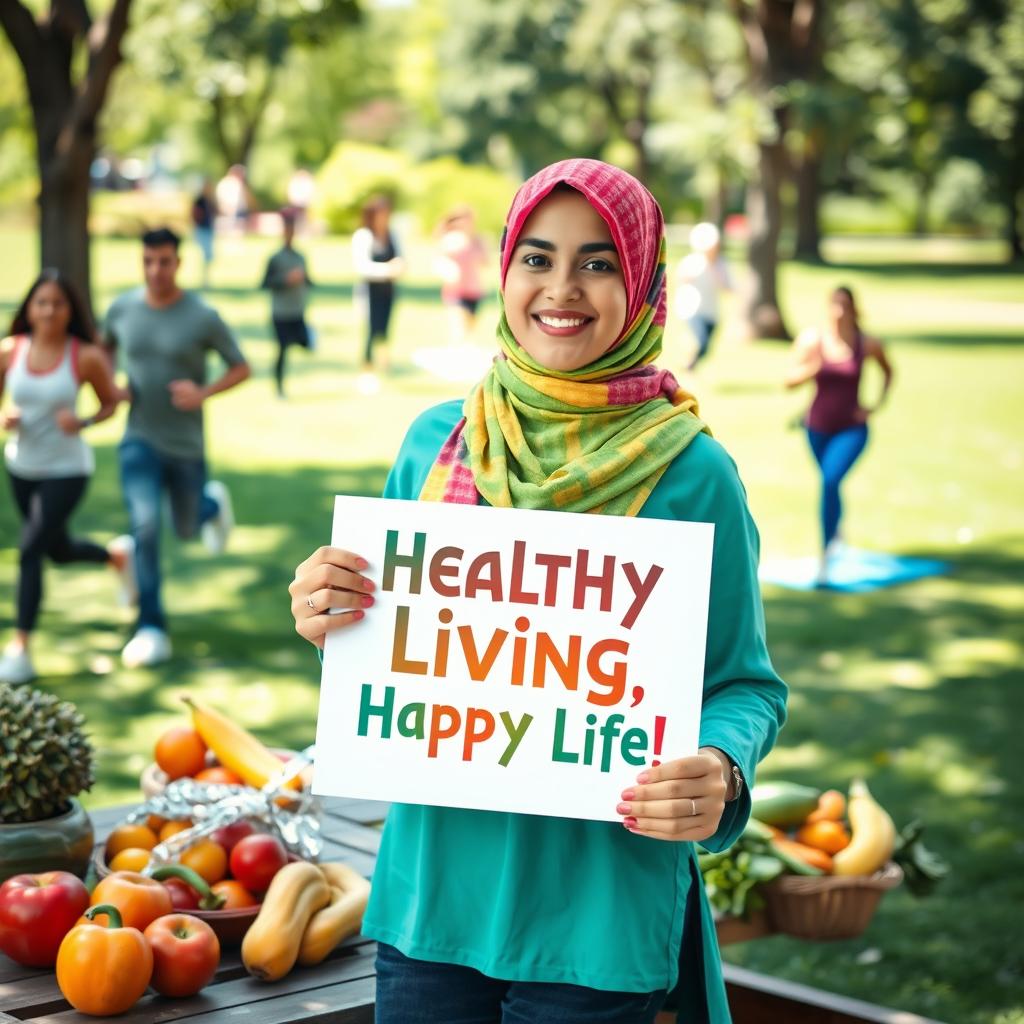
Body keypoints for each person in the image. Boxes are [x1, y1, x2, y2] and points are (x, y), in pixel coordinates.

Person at [289, 159, 787, 1023]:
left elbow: (746, 683)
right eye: (537, 258)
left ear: (642, 285)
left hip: (594, 918)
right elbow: (393, 641)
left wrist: (720, 765)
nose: (563, 288)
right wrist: (328, 609)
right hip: (432, 904)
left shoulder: (692, 473)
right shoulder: (436, 442)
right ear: (506, 268)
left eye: (598, 263)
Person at [103, 227, 251, 668]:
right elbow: (101, 350)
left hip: (186, 444)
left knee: (185, 529)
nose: (155, 270)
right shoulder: (122, 308)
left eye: (164, 261)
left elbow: (241, 367)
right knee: (146, 526)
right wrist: (110, 386)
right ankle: (151, 626)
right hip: (139, 439)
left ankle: (210, 506)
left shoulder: (201, 316)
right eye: (148, 261)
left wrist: (202, 392)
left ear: (178, 262)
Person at [0, 270, 134, 685]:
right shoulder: (11, 350)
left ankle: (19, 649)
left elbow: (111, 402)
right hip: (21, 465)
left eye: (58, 303)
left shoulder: (84, 355)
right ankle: (116, 558)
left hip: (67, 469)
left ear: (70, 310)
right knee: (55, 550)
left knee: (30, 550)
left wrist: (84, 421)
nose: (49, 311)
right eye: (42, 302)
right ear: (30, 308)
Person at [785, 285, 894, 584]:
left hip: (852, 429)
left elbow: (888, 372)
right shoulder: (813, 341)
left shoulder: (867, 343)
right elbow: (788, 381)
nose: (840, 311)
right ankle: (837, 530)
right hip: (816, 428)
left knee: (830, 480)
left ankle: (826, 553)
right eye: (835, 304)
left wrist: (874, 407)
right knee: (831, 484)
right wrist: (812, 368)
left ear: (854, 309)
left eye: (845, 305)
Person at [351, 195, 404, 393]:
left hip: (388, 292)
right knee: (370, 331)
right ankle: (367, 368)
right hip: (370, 292)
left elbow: (401, 257)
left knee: (384, 330)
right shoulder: (364, 236)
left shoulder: (392, 235)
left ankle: (383, 365)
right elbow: (362, 266)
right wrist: (387, 270)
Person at [260, 208, 314, 398]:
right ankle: (279, 387)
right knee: (282, 350)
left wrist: (303, 280)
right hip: (281, 311)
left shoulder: (300, 257)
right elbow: (265, 283)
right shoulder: (275, 258)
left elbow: (310, 281)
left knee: (305, 343)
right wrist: (286, 280)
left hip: (297, 309)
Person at [673, 221, 732, 370]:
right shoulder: (692, 262)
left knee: (705, 348)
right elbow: (681, 281)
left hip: (711, 312)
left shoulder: (721, 264)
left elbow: (728, 287)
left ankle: (690, 363)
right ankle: (688, 365)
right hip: (693, 310)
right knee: (701, 340)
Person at [435, 205, 487, 345]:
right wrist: (449, 270)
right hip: (455, 291)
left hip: (474, 290)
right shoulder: (451, 239)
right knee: (458, 327)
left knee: (470, 328)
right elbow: (439, 260)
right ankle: (455, 355)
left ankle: (464, 354)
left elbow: (485, 262)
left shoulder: (478, 240)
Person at [191, 179, 217, 289]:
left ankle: (206, 279)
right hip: (202, 229)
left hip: (208, 229)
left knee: (208, 256)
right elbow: (195, 213)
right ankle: (203, 279)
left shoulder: (209, 200)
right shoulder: (200, 200)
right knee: (204, 254)